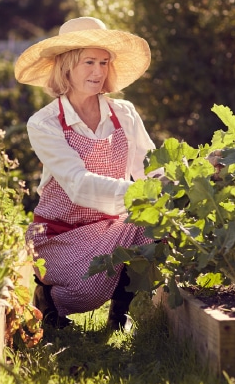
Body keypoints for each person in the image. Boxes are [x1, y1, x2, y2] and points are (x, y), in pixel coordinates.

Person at [14, 17, 162, 331]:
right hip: (60, 235)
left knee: (157, 229)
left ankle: (119, 317)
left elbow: (149, 167)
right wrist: (139, 193)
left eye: (104, 62)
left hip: (112, 225)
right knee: (85, 288)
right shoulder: (45, 123)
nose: (98, 71)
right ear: (66, 66)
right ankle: (49, 300)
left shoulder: (124, 113)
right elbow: (78, 185)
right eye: (89, 62)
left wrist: (179, 183)